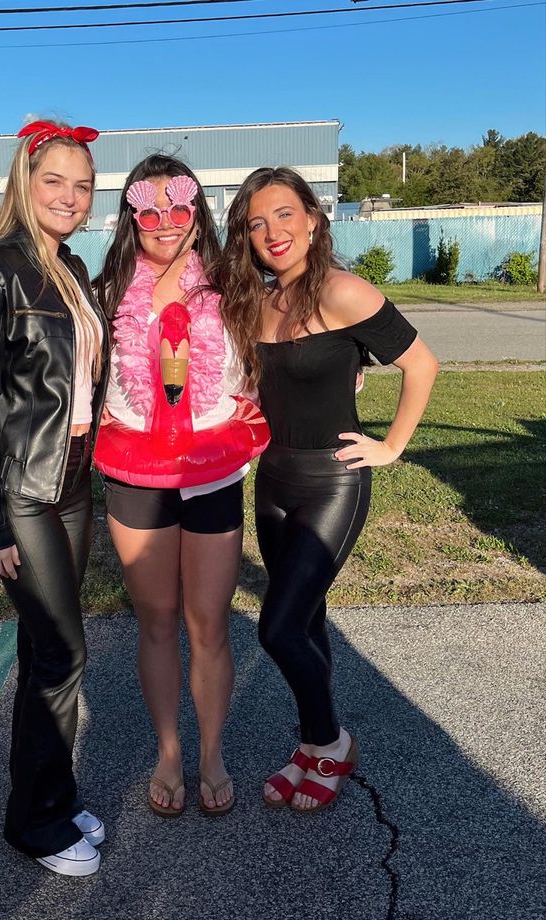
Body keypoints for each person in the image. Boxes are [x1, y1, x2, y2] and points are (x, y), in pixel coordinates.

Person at [217, 167, 439, 813]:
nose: (272, 232)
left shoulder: (344, 291)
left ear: (313, 218)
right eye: (257, 223)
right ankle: (312, 750)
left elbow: (421, 364)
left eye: (285, 214)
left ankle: (331, 742)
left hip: (333, 480)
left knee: (277, 628)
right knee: (305, 623)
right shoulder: (256, 302)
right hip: (274, 479)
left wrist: (391, 446)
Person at [0, 119, 110, 875]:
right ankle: (35, 823)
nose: (70, 197)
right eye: (56, 181)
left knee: (51, 651)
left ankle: (55, 792)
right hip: (24, 492)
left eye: (83, 186)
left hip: (75, 482)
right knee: (63, 654)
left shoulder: (70, 267)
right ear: (23, 180)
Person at [93, 155, 268, 817]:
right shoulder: (107, 288)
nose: (166, 223)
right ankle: (169, 751)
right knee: (159, 620)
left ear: (198, 213)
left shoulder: (234, 284)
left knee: (208, 621)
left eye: (180, 207)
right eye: (149, 210)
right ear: (131, 218)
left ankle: (212, 753)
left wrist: (349, 364)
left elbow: (289, 329)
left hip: (212, 467)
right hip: (135, 468)